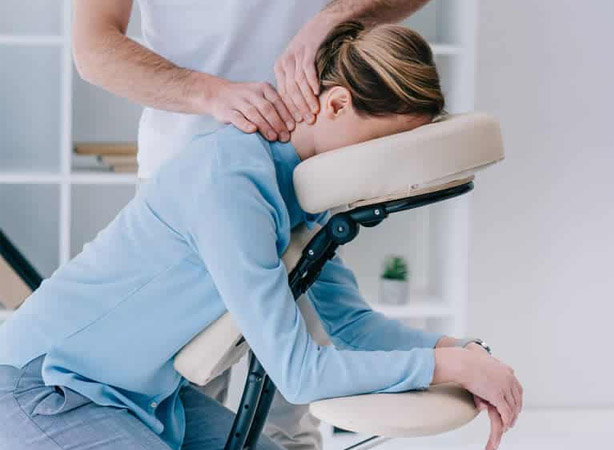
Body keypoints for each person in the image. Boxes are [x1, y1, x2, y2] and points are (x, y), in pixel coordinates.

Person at [0, 22, 523, 450]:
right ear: (336, 105)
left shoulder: (302, 191)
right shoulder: (232, 182)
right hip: (47, 384)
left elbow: (354, 327)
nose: (385, 166)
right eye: (389, 143)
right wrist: (445, 367)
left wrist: (461, 351)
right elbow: (298, 372)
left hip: (148, 394)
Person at [73, 2, 432, 447]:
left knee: (289, 415)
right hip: (195, 175)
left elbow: (341, 338)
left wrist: (331, 17)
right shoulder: (217, 182)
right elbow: (93, 47)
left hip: (312, 168)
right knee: (184, 401)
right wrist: (209, 93)